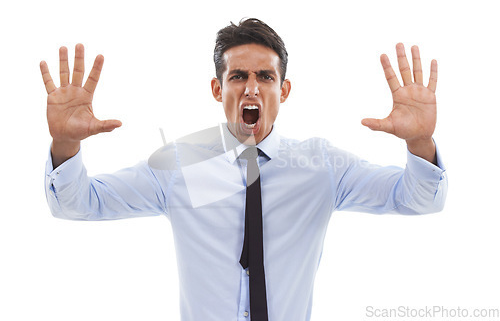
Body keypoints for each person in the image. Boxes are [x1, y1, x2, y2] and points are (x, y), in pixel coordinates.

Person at [41, 18, 447, 321]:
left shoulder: (323, 167)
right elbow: (80, 204)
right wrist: (65, 143)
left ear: (283, 91)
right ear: (218, 89)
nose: (251, 88)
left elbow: (416, 200)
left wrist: (419, 144)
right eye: (238, 76)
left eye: (265, 77)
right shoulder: (178, 166)